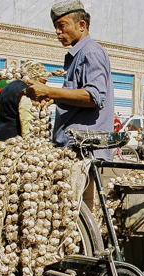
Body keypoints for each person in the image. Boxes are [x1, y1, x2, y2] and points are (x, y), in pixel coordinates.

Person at [20, 0, 114, 161]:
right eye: (55, 26)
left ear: (81, 25)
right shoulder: (77, 55)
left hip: (85, 152)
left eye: (61, 25)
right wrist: (53, 98)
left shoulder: (90, 52)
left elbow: (93, 97)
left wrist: (50, 91)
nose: (57, 31)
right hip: (74, 149)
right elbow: (78, 98)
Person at [0, 62, 50, 150]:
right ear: (34, 78)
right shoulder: (26, 92)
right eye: (42, 83)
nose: (43, 86)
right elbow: (26, 123)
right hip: (13, 149)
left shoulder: (6, 88)